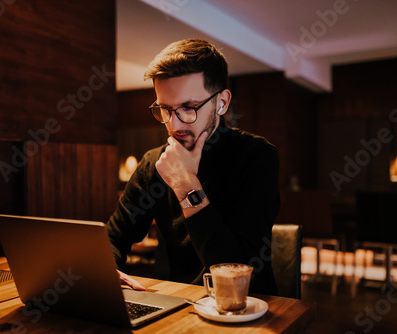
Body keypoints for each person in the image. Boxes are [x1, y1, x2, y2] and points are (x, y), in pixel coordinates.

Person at [107, 39, 280, 295]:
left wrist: (185, 185)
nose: (175, 125)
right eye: (166, 109)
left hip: (246, 309)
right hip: (178, 304)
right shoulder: (153, 164)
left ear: (221, 103)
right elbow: (113, 238)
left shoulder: (256, 156)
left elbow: (237, 273)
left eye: (188, 108)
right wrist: (106, 270)